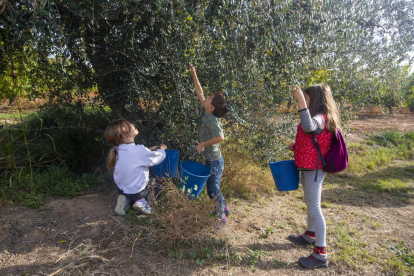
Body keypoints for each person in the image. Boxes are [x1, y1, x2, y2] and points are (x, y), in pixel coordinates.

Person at [287, 84, 341, 269]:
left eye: (307, 99)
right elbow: (314, 139)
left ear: (315, 100)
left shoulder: (320, 117)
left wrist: (300, 100)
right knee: (310, 203)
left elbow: (308, 126)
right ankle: (310, 235)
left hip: (315, 169)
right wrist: (298, 146)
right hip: (310, 167)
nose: (304, 102)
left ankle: (320, 254)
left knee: (314, 207)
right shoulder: (321, 117)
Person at [188, 64, 230, 225]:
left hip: (215, 162)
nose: (204, 98)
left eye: (208, 98)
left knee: (212, 191)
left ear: (211, 107)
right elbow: (199, 91)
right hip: (212, 160)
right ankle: (223, 208)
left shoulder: (212, 119)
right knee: (213, 189)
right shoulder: (207, 110)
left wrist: (203, 143)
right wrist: (194, 72)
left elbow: (220, 137)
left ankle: (221, 216)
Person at [105, 119, 167, 215]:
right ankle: (141, 202)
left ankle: (125, 200)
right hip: (137, 192)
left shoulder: (117, 151)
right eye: (129, 126)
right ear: (125, 136)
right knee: (156, 183)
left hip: (121, 189)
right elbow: (157, 158)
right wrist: (162, 149)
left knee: (130, 187)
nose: (132, 125)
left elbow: (134, 156)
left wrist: (149, 150)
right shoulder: (139, 150)